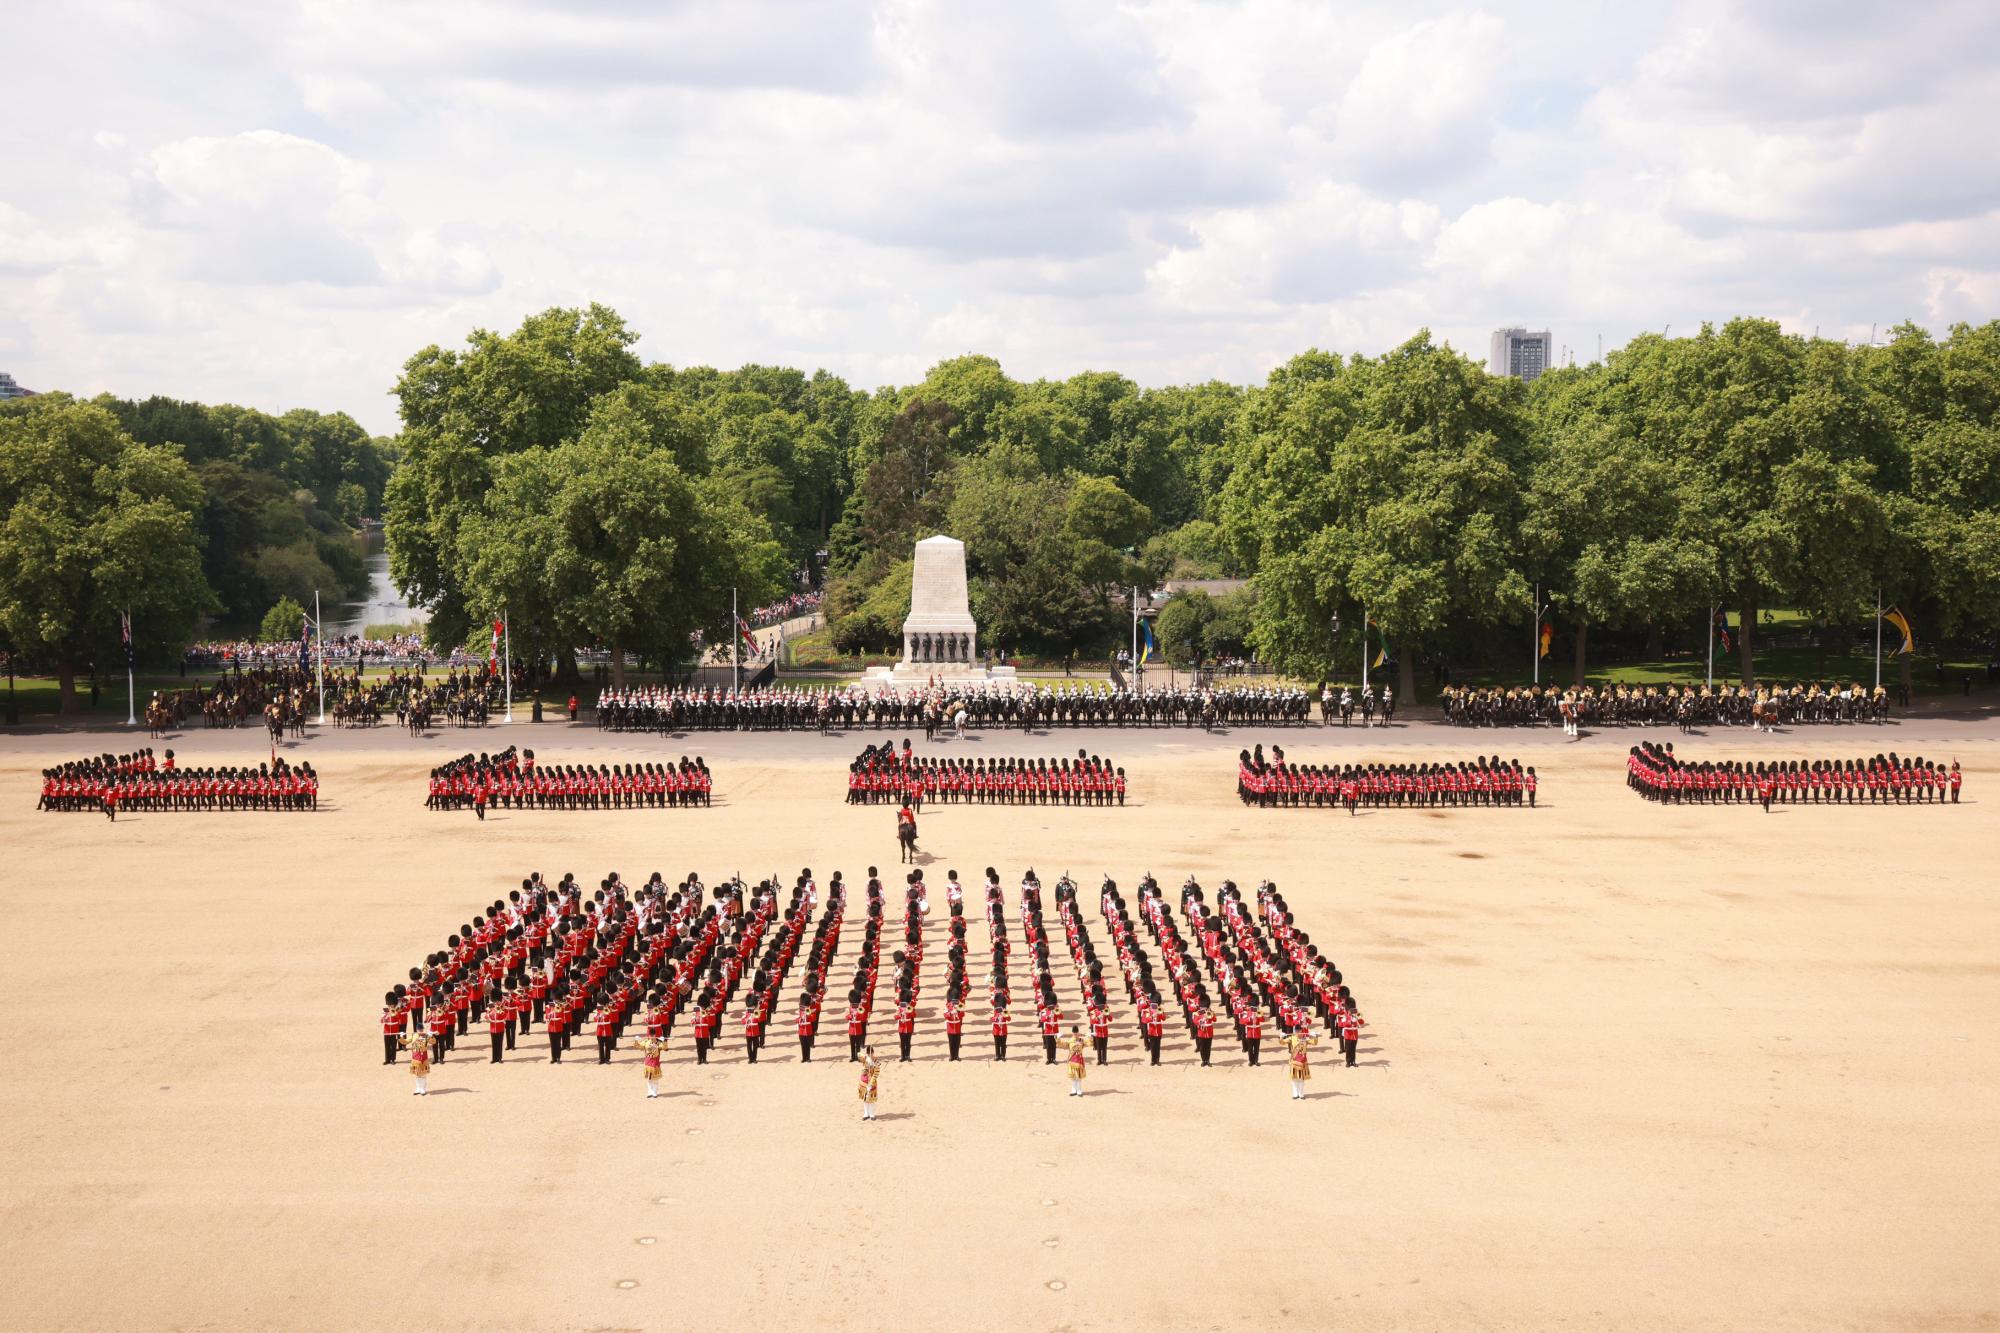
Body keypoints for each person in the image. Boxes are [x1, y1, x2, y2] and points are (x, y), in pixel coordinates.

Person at [1280, 1028, 1315, 1101]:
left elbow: (1314, 1043)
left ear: (1302, 1031)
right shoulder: (1292, 1038)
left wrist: (1314, 1036)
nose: (1297, 1032)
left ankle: (1301, 1093)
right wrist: (1281, 1037)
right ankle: (1295, 1093)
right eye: (1296, 1031)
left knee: (1301, 1078)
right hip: (1294, 1060)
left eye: (1299, 1031)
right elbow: (1282, 1042)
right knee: (1294, 1078)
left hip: (1303, 1061)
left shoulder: (1306, 1038)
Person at [399, 1030, 436, 1096]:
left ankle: (423, 1089)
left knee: (423, 1075)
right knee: (417, 1074)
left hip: (423, 1058)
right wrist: (401, 1037)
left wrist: (431, 1036)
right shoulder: (413, 1035)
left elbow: (433, 1042)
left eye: (421, 1030)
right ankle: (418, 1088)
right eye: (419, 1030)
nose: (420, 1031)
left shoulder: (426, 1035)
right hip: (416, 1058)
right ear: (417, 1030)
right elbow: (405, 1042)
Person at [636, 1034, 668, 1098]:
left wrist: (664, 1041)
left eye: (653, 1035)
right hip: (648, 1062)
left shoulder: (659, 1042)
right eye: (651, 1035)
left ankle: (654, 1092)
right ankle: (649, 1092)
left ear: (655, 1035)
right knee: (649, 1078)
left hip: (655, 1063)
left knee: (655, 1079)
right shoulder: (646, 1042)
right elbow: (639, 1046)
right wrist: (637, 1040)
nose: (652, 1036)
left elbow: (665, 1048)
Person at [858, 1046, 882, 1122]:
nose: (870, 1055)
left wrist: (871, 1083)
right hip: (864, 1080)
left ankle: (872, 1114)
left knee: (871, 1099)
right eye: (869, 1053)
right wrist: (866, 1057)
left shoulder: (876, 1061)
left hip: (872, 1081)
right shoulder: (865, 1059)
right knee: (865, 1098)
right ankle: (866, 1113)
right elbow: (858, 1054)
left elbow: (876, 1073)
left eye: (871, 1053)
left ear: (873, 1053)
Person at [1065, 1027, 1088, 1098]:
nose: (1075, 1034)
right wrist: (1057, 1039)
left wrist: (1090, 1037)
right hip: (1072, 1060)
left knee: (1079, 1077)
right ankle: (1073, 1090)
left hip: (1079, 1060)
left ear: (1078, 1032)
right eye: (1074, 1032)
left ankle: (1079, 1090)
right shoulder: (1070, 1041)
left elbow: (1089, 1044)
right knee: (1073, 1077)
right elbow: (1063, 1045)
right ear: (1072, 1033)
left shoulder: (1081, 1040)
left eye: (1076, 1032)